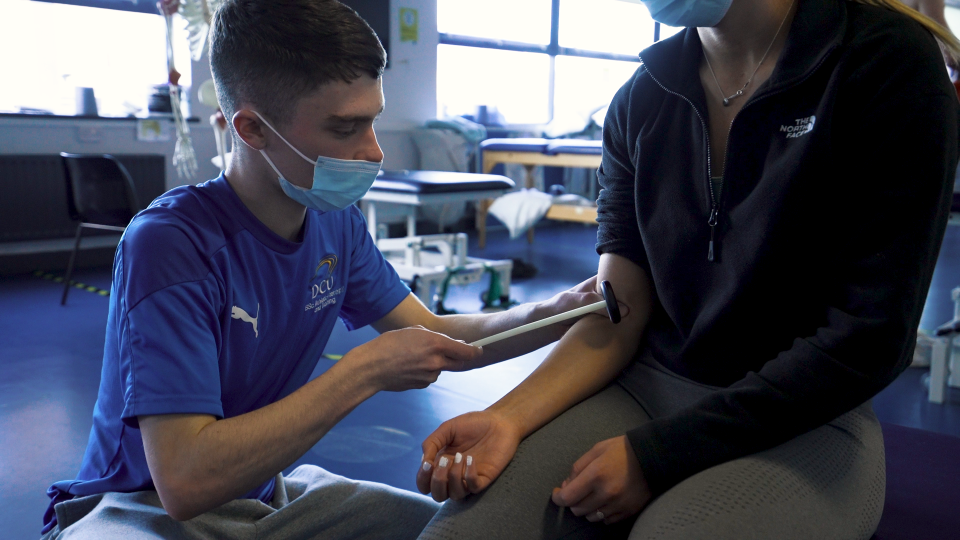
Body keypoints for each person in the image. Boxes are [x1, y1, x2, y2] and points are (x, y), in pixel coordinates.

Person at [40, 1, 608, 538]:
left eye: (373, 122)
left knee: (454, 530)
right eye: (344, 129)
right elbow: (186, 481)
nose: (375, 151)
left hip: (262, 499)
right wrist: (362, 373)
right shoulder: (171, 244)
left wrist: (552, 313)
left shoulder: (335, 223)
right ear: (253, 130)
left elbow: (441, 334)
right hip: (138, 511)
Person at [415, 0, 960, 538]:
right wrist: (508, 416)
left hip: (806, 416)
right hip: (646, 391)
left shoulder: (882, 60)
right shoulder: (642, 96)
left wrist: (660, 456)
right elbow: (618, 310)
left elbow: (870, 337)